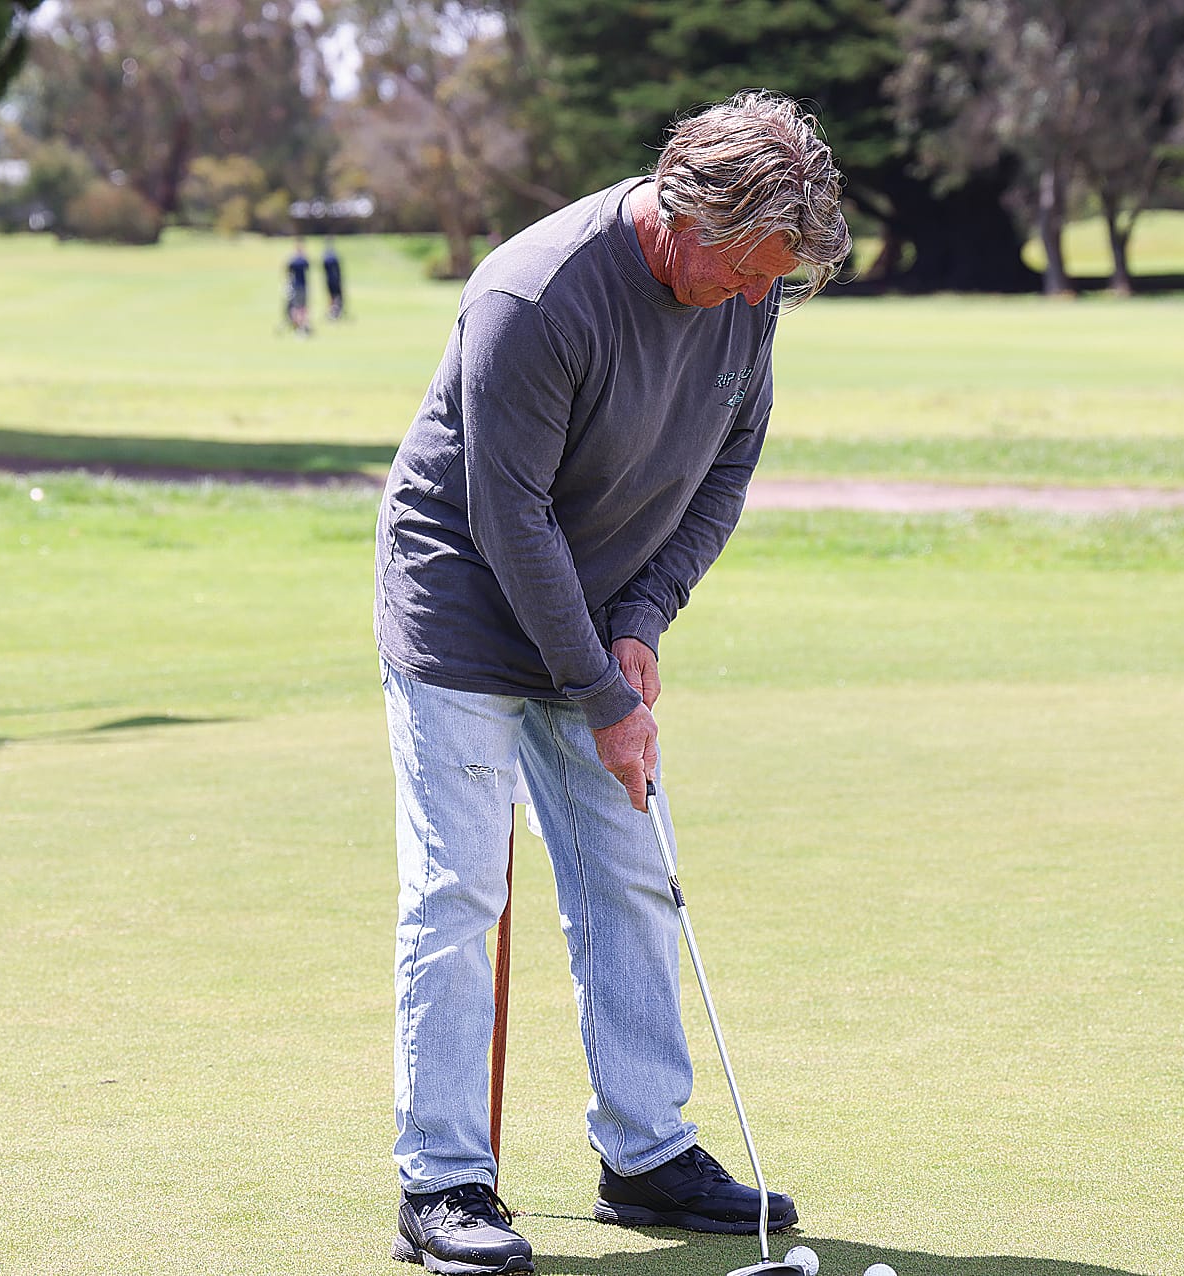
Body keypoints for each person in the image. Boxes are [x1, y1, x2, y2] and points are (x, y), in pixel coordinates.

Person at [372, 90, 849, 1276]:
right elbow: (506, 515)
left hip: (598, 600)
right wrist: (602, 691)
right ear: (684, 210)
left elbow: (726, 467)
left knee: (632, 879)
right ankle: (442, 1183)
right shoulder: (535, 295)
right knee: (459, 892)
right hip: (466, 607)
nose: (758, 300)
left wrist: (642, 618)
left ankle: (644, 1155)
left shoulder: (749, 288)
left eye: (775, 280)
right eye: (746, 270)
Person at [284, 237, 311, 334]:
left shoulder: (292, 260)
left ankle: (297, 325)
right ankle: (302, 325)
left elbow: (288, 272)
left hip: (296, 286)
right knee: (302, 307)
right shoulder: (303, 260)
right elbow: (308, 267)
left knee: (297, 306)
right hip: (301, 286)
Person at [323, 237, 346, 320]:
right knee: (336, 297)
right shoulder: (335, 256)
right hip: (335, 280)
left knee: (332, 297)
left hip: (329, 280)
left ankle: (333, 312)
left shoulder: (325, 256)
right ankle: (336, 312)